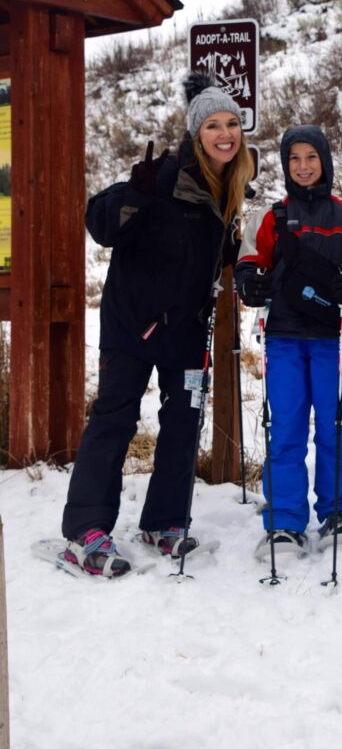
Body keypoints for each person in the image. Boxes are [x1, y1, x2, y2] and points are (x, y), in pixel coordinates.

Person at [61, 73, 254, 577]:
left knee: (184, 423)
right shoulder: (163, 175)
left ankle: (165, 521)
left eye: (232, 123)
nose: (225, 134)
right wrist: (135, 195)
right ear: (196, 133)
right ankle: (85, 530)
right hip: (134, 325)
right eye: (213, 125)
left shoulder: (231, 187)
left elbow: (216, 254)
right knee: (115, 419)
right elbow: (102, 225)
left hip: (186, 332)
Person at [235, 125, 342, 559]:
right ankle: (284, 520)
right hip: (282, 339)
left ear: (325, 161)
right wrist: (250, 285)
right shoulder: (270, 218)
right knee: (285, 428)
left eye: (311, 157)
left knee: (337, 425)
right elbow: (248, 265)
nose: (303, 167)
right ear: (286, 165)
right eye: (294, 159)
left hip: (332, 338)